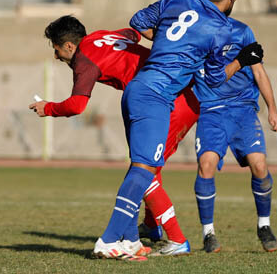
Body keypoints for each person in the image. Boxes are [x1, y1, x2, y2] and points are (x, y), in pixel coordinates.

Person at [90, 0, 263, 261]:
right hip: (156, 95)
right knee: (145, 170)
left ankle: (130, 240)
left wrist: (167, 42)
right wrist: (243, 60)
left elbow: (137, 21)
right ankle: (108, 239)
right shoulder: (220, 27)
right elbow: (213, 79)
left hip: (138, 87)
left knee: (143, 167)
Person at [29, 15, 199, 256]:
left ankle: (176, 239)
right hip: (172, 96)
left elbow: (77, 106)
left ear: (69, 45)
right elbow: (133, 34)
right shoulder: (100, 36)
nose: (56, 57)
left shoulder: (83, 59)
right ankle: (135, 237)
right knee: (143, 170)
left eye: (57, 50)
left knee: (143, 172)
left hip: (165, 100)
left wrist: (48, 108)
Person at [193, 11, 277, 254]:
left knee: (260, 165)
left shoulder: (243, 31)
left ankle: (264, 225)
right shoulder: (195, 31)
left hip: (243, 110)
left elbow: (259, 72)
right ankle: (208, 233)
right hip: (210, 111)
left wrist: (272, 110)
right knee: (206, 164)